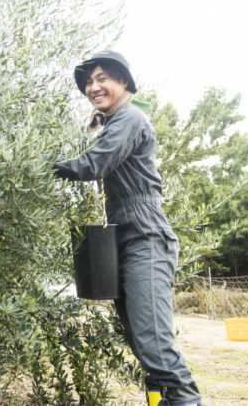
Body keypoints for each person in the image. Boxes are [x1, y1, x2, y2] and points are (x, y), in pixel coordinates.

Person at [53, 51, 202, 406]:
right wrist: (93, 131)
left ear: (124, 81)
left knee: (153, 341)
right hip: (122, 233)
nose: (93, 86)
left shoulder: (131, 119)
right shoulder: (112, 124)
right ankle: (163, 400)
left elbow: (95, 164)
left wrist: (39, 167)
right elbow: (95, 155)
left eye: (102, 78)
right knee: (139, 339)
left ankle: (184, 399)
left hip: (146, 235)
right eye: (89, 82)